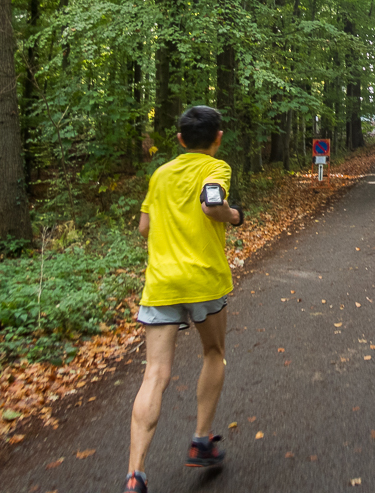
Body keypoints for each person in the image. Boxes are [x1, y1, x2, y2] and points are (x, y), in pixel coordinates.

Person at [123, 106, 245, 493]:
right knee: (213, 353)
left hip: (160, 285)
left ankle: (135, 474)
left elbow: (144, 227)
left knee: (154, 375)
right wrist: (235, 216)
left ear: (179, 140)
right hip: (204, 282)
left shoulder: (160, 175)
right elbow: (212, 207)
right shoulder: (216, 168)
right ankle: (202, 440)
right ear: (218, 138)